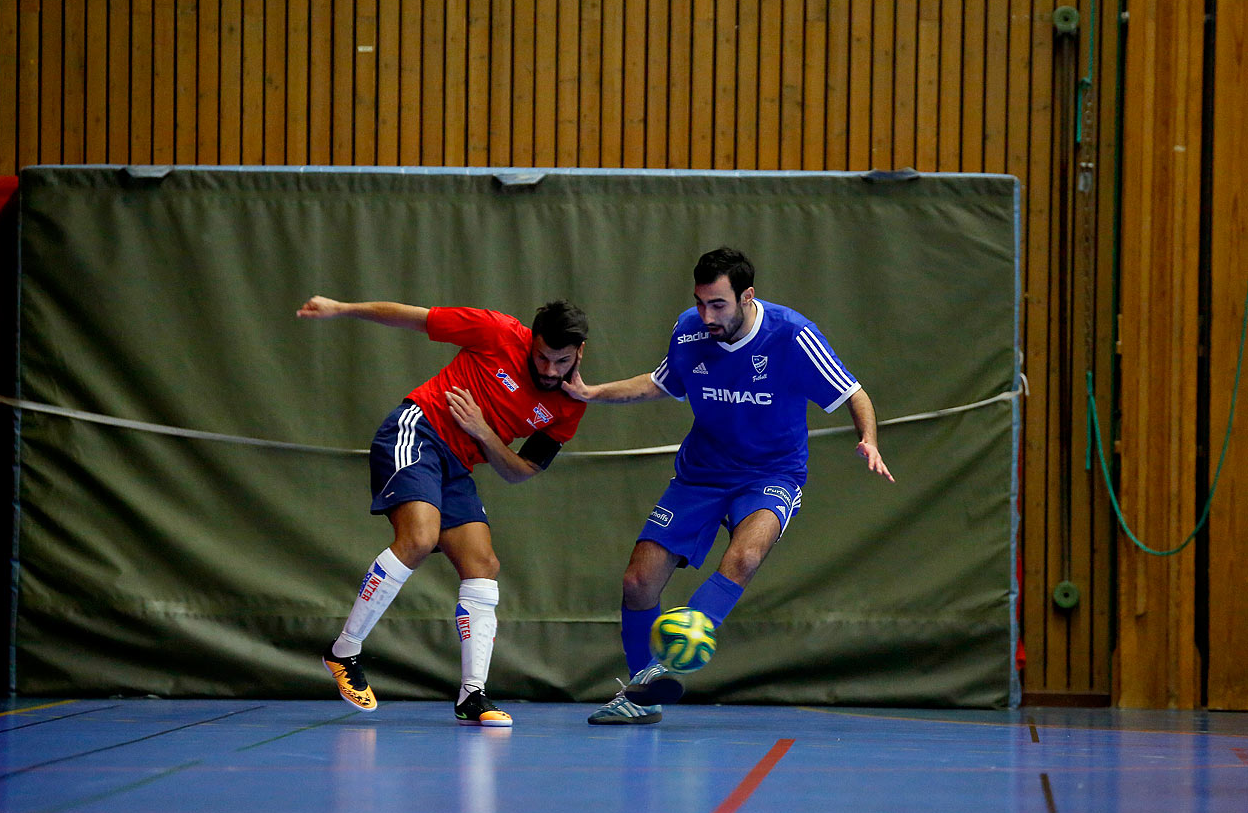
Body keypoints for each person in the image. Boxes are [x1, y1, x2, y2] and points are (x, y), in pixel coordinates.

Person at [562, 247, 895, 725]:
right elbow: (659, 383)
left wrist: (869, 438)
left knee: (745, 556)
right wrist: (593, 393)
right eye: (700, 302)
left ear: (747, 296)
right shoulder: (690, 330)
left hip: (771, 474)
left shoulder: (793, 335)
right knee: (637, 583)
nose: (707, 315)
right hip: (701, 473)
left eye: (718, 304)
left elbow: (853, 392)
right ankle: (642, 695)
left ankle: (671, 657)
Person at [296, 295, 590, 727]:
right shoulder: (497, 332)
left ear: (579, 353)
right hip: (417, 431)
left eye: (560, 361)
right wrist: (342, 308)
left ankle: (472, 695)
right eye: (541, 357)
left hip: (457, 465)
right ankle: (344, 651)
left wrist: (485, 434)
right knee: (418, 538)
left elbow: (520, 471)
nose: (548, 369)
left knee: (483, 565)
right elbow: (412, 318)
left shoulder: (570, 405)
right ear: (532, 341)